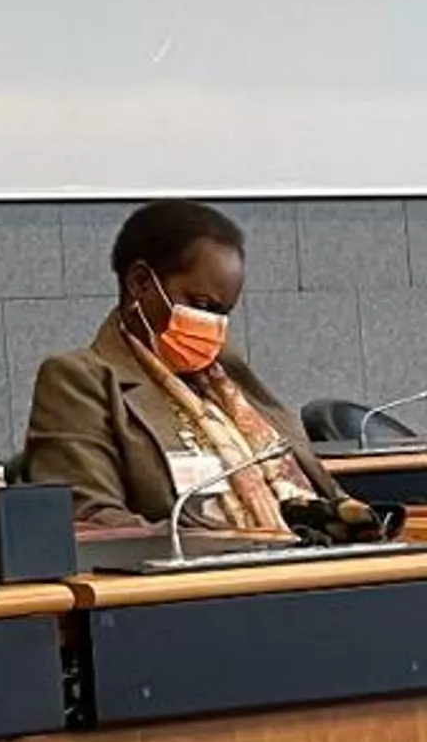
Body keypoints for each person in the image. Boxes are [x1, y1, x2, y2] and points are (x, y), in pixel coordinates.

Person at [23, 199, 385, 538]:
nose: (213, 326)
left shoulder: (228, 378)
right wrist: (233, 543)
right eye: (201, 305)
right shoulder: (81, 379)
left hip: (304, 561)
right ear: (140, 283)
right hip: (202, 577)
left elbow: (323, 491)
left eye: (223, 313)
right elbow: (90, 520)